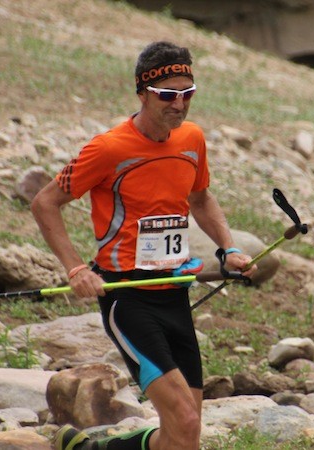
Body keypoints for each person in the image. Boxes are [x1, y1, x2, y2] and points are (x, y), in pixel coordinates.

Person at [31, 41, 256, 450]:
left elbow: (201, 198)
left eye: (187, 94)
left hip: (175, 296)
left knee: (183, 436)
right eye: (168, 95)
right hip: (128, 298)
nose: (179, 105)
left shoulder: (192, 139)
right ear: (142, 93)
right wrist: (77, 270)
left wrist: (228, 249)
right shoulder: (109, 148)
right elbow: (45, 203)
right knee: (185, 421)